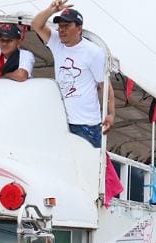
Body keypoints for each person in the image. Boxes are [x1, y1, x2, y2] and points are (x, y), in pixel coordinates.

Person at [32, 1, 115, 146]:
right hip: (62, 121)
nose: (62, 30)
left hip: (87, 124)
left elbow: (104, 86)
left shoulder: (93, 52)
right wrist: (52, 10)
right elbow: (36, 24)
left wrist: (111, 114)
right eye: (60, 26)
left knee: (89, 166)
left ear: (79, 28)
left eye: (67, 26)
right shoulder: (56, 42)